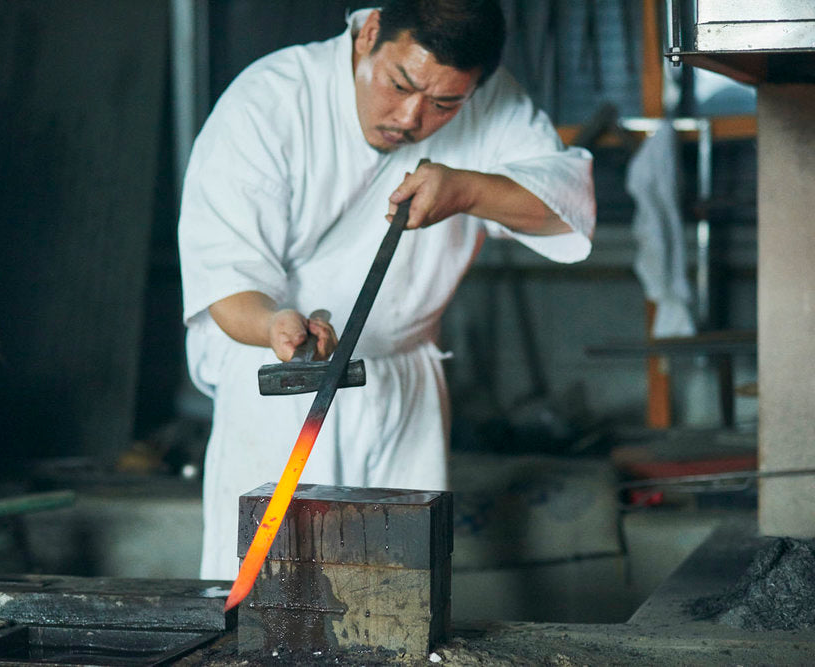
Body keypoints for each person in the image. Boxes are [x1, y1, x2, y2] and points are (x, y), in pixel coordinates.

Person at [178, 0, 595, 580]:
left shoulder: (490, 97)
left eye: (445, 104)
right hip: (284, 387)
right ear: (370, 32)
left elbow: (567, 207)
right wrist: (274, 325)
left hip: (406, 382)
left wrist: (471, 189)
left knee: (401, 596)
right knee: (270, 596)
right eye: (400, 84)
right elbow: (225, 277)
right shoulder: (270, 99)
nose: (410, 117)